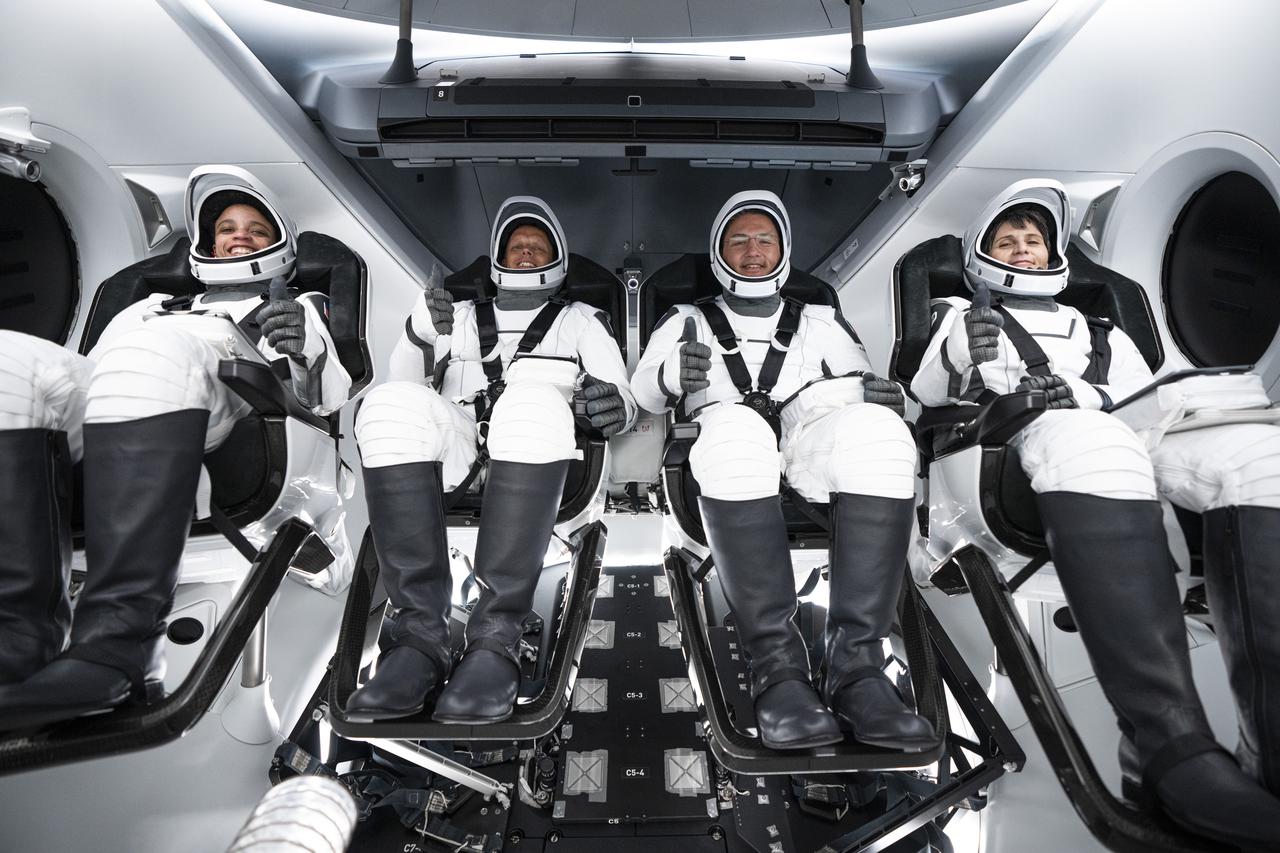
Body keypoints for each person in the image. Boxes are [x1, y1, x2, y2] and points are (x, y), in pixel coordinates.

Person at [911, 179, 1280, 848]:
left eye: (1034, 239)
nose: (1023, 248)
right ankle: (1168, 753)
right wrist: (967, 346)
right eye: (1007, 239)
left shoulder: (1099, 326)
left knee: (1264, 455)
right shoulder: (956, 312)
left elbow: (1144, 400)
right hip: (1004, 448)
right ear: (981, 255)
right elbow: (926, 385)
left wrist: (1083, 390)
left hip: (1122, 426)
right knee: (1095, 438)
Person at [0, 165, 351, 728]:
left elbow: (325, 396)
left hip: (243, 415)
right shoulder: (144, 308)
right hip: (133, 405)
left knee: (153, 352)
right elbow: (92, 380)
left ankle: (121, 649)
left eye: (256, 229)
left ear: (279, 244)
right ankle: (16, 641)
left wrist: (303, 349)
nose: (239, 235)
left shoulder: (297, 306)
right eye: (226, 227)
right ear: (205, 245)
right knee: (10, 360)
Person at [632, 190, 936, 752]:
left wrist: (896, 404)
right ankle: (779, 673)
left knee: (880, 433)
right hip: (727, 456)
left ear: (783, 250)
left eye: (764, 239)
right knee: (738, 430)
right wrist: (674, 373)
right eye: (739, 240)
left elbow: (862, 397)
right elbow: (642, 395)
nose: (752, 251)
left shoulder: (821, 321)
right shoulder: (686, 320)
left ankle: (858, 675)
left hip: (805, 450)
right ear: (720, 252)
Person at [346, 196, 634, 725]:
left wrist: (615, 405)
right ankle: (419, 640)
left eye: (538, 245)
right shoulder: (451, 316)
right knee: (386, 402)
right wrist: (419, 332)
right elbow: (406, 383)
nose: (526, 252)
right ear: (498, 257)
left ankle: (494, 641)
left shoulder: (582, 321)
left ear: (558, 260)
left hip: (539, 454)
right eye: (516, 245)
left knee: (529, 398)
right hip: (458, 457)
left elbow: (620, 393)